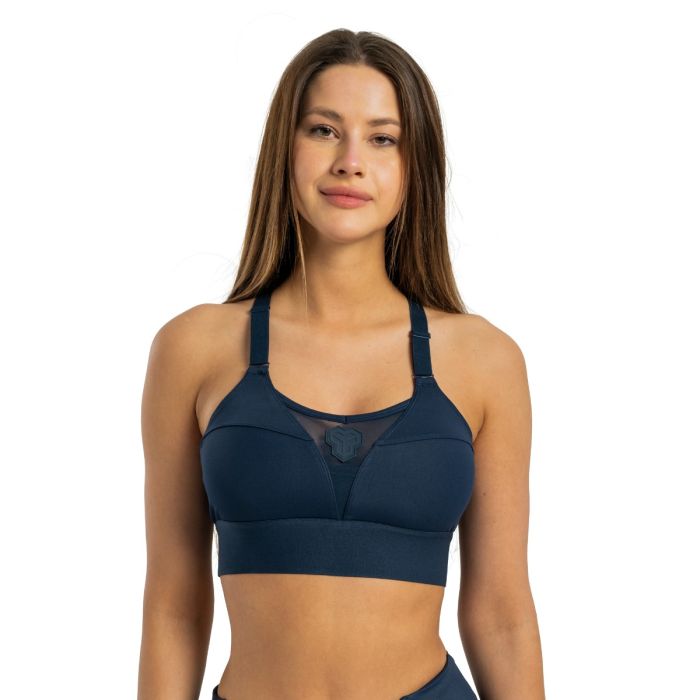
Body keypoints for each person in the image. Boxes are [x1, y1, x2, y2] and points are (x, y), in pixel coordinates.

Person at [137, 28, 545, 700]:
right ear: (285, 147)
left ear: (415, 166)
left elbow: (501, 613)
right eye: (324, 130)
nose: (351, 161)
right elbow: (173, 605)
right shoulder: (195, 349)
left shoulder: (484, 360)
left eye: (383, 138)